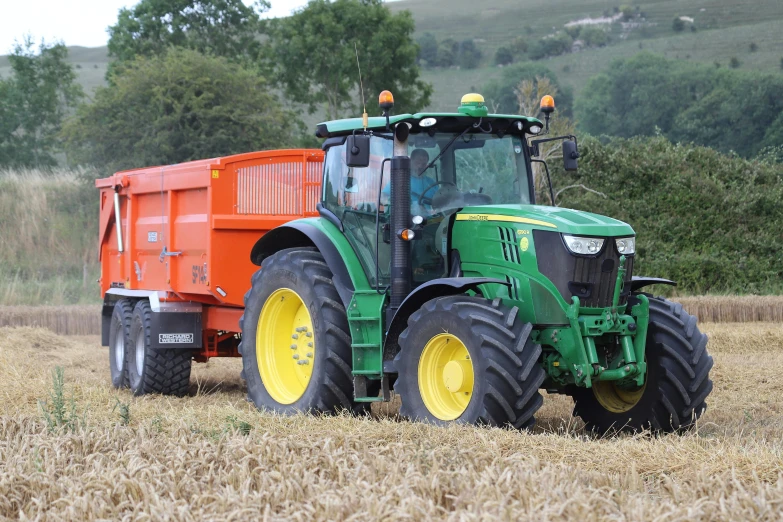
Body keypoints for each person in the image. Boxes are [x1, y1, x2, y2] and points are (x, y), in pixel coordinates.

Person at [381, 149, 438, 214]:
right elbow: (383, 197)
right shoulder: (400, 180)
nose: (420, 166)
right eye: (417, 163)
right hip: (405, 220)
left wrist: (434, 211)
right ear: (410, 162)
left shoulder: (432, 183)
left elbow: (440, 203)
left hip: (429, 221)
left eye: (424, 164)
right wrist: (405, 206)